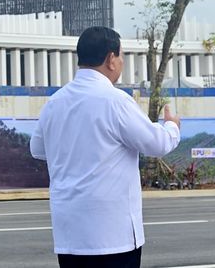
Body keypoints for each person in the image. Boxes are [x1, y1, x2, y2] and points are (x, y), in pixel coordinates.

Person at [30, 26, 181, 268]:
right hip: (112, 236)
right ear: (110, 59)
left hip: (70, 236)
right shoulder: (115, 101)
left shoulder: (55, 102)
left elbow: (37, 149)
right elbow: (158, 143)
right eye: (121, 56)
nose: (122, 62)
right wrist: (172, 127)